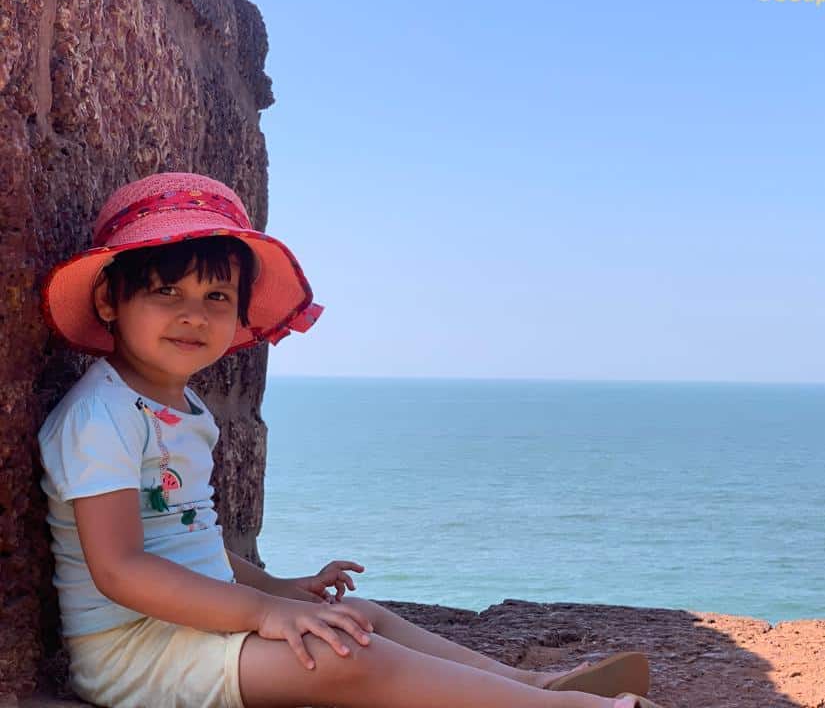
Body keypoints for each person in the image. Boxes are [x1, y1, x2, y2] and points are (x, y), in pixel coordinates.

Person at [37, 172, 662, 708]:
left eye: (217, 296)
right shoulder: (102, 416)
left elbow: (188, 541)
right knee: (342, 659)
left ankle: (527, 683)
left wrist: (280, 591)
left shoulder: (180, 407)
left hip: (195, 628)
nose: (194, 314)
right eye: (165, 292)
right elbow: (122, 568)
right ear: (109, 299)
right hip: (136, 656)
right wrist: (264, 615)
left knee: (359, 621)